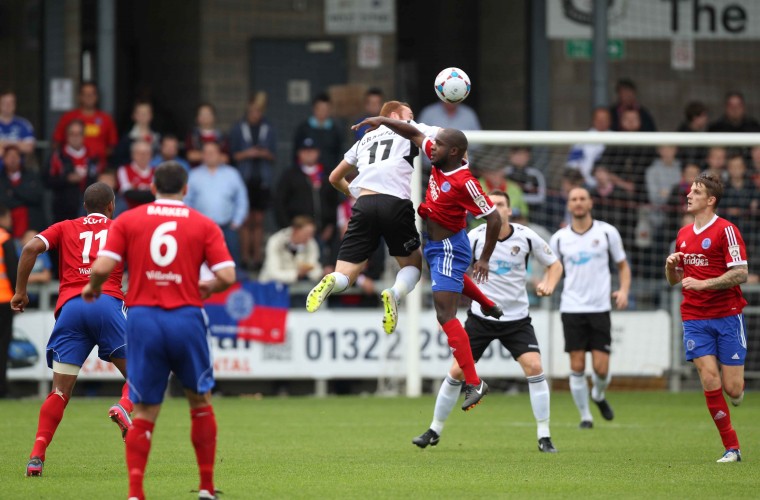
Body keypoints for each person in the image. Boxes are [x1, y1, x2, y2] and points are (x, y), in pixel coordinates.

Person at [82, 162, 236, 500]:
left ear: (153, 188)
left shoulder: (129, 220)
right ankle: (207, 488)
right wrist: (206, 288)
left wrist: (93, 287)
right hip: (185, 317)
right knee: (199, 402)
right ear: (185, 189)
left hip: (143, 319)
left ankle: (136, 493)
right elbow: (227, 276)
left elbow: (103, 266)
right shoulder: (204, 224)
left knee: (146, 408)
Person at [348, 114, 502, 411]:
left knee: (445, 315)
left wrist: (484, 259)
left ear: (454, 151)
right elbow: (414, 132)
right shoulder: (438, 156)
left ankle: (474, 382)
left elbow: (494, 218)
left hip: (449, 247)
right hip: (433, 244)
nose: (431, 147)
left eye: (439, 144)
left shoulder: (465, 182)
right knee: (450, 282)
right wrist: (382, 120)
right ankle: (486, 302)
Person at [308, 101, 501, 335]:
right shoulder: (409, 126)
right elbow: (453, 141)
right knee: (412, 266)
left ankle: (332, 280)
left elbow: (334, 177)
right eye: (408, 113)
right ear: (393, 115)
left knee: (346, 274)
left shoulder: (363, 141)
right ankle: (395, 293)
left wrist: (355, 194)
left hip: (364, 205)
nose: (412, 117)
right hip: (395, 204)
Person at [411, 190, 563, 452]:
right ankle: (434, 429)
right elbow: (454, 272)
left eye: (501, 204)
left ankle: (544, 435)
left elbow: (555, 264)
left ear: (509, 210)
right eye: (490, 204)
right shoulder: (474, 237)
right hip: (481, 317)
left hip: (516, 319)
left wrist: (549, 284)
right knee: (457, 370)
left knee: (535, 367)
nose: (495, 207)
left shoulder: (526, 236)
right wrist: (448, 313)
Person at [12, 183, 132, 476]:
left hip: (71, 309)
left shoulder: (65, 227)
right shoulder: (121, 229)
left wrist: (21, 292)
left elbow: (29, 248)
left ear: (84, 206)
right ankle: (123, 407)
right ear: (111, 206)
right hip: (105, 302)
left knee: (60, 392)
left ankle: (36, 457)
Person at [665, 171, 748, 463]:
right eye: (690, 191)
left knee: (732, 388)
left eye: (696, 192)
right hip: (694, 317)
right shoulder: (683, 234)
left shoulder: (726, 230)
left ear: (710, 200)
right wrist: (670, 266)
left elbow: (741, 273)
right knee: (709, 379)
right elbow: (676, 280)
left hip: (727, 315)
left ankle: (737, 394)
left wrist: (703, 283)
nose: (689, 195)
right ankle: (732, 447)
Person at [549, 187, 631, 429]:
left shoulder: (607, 233)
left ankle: (598, 394)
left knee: (601, 368)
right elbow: (553, 269)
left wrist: (624, 290)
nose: (578, 203)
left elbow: (623, 265)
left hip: (599, 307)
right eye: (573, 199)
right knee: (576, 365)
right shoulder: (559, 238)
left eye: (582, 198)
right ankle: (585, 416)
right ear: (569, 204)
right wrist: (547, 284)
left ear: (590, 202)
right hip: (571, 307)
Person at [228, 92, 277, 271]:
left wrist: (263, 153)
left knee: (258, 220)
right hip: (244, 179)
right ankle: (245, 257)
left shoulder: (268, 128)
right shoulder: (238, 128)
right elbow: (232, 155)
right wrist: (249, 153)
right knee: (245, 220)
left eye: (258, 111)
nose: (255, 114)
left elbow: (273, 155)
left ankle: (257, 258)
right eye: (252, 110)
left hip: (262, 179)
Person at [185, 141, 249, 268]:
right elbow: (186, 200)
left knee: (231, 264)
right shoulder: (193, 175)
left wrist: (237, 221)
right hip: (200, 229)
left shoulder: (232, 174)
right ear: (202, 155)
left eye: (213, 152)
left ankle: (233, 287)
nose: (209, 155)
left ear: (220, 155)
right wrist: (190, 223)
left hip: (227, 227)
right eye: (206, 153)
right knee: (198, 264)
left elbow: (241, 199)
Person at [46, 119, 105, 222]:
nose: (75, 137)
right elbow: (47, 180)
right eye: (72, 134)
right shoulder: (58, 156)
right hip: (63, 212)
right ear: (67, 136)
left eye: (78, 134)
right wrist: (67, 179)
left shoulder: (92, 156)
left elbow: (99, 178)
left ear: (83, 136)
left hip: (88, 211)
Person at [52, 82, 118, 162]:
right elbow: (57, 142)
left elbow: (112, 146)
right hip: (71, 167)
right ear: (80, 97)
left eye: (92, 94)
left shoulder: (106, 119)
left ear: (97, 96)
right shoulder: (68, 117)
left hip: (98, 168)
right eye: (85, 94)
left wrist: (100, 156)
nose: (89, 97)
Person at [259, 215, 322, 285]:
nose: (309, 238)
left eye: (311, 234)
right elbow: (273, 273)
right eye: (306, 234)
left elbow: (315, 268)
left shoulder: (311, 243)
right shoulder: (276, 241)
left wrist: (315, 273)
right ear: (295, 230)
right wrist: (297, 274)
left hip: (298, 287)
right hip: (271, 287)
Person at [292, 93, 343, 176]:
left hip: (329, 174)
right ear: (314, 109)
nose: (323, 112)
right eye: (320, 109)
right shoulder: (304, 128)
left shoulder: (335, 130)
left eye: (326, 109)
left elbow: (338, 153)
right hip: (306, 175)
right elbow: (296, 153)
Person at [0, 145, 45, 238]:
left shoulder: (32, 175)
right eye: (9, 156)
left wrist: (13, 191)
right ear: (3, 159)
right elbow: (3, 201)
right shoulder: (1, 179)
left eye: (15, 156)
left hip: (32, 226)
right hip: (8, 228)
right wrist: (25, 195)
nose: (12, 159)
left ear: (20, 159)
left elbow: (37, 197)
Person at [566, 106, 611, 188]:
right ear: (593, 120)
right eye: (599, 119)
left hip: (610, 185)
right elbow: (572, 163)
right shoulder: (583, 139)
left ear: (609, 120)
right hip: (584, 183)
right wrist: (580, 178)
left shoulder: (617, 137)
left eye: (604, 118)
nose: (601, 121)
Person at [112, 100, 160, 166]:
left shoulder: (157, 137)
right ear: (134, 116)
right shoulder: (127, 139)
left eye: (146, 113)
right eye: (140, 113)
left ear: (151, 115)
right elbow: (119, 160)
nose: (143, 116)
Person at [0, 205, 16, 399]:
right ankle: (2, 388)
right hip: (3, 299)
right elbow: (13, 270)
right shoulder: (5, 238)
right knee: (3, 345)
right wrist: (18, 295)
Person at [0, 90, 36, 167]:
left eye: (10, 103)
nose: (8, 106)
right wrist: (18, 143)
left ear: (15, 104)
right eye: (5, 103)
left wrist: (4, 143)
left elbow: (29, 148)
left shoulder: (24, 124)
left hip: (17, 172)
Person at [116, 140, 155, 209]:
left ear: (151, 155)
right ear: (133, 155)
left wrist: (136, 188)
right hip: (129, 210)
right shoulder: (124, 170)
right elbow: (127, 194)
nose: (143, 156)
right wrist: (149, 190)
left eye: (146, 153)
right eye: (139, 153)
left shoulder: (156, 172)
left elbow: (158, 195)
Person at [186, 103, 228, 167]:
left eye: (208, 114)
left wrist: (201, 155)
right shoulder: (192, 136)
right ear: (197, 118)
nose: (205, 117)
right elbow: (190, 156)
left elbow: (225, 158)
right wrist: (213, 156)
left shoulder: (221, 137)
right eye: (202, 114)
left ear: (214, 117)